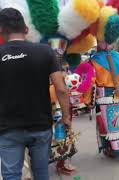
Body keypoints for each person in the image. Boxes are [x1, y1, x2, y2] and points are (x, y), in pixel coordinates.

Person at [0, 8, 70, 180]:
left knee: (11, 175)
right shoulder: (45, 51)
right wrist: (66, 117)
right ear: (26, 29)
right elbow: (60, 88)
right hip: (40, 126)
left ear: (2, 30)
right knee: (41, 172)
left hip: (7, 128)